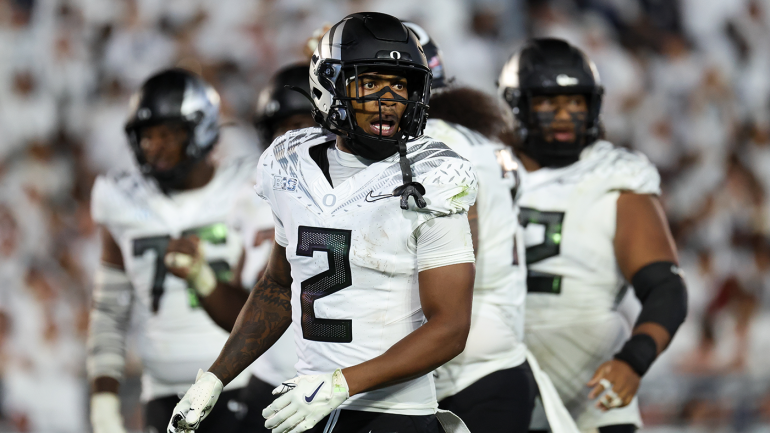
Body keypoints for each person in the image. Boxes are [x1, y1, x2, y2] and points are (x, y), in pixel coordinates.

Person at [167, 12, 478, 433]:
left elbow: (450, 327)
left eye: (400, 85)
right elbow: (279, 287)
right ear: (329, 86)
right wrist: (216, 377)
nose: (389, 100)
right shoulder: (288, 163)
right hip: (306, 408)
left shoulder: (433, 176)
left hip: (395, 415)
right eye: (370, 83)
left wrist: (340, 385)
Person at [497, 38, 688, 433]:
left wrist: (634, 359)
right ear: (516, 104)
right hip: (497, 370)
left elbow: (665, 287)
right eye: (550, 102)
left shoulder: (616, 176)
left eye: (576, 102)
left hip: (591, 381)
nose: (566, 115)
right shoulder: (481, 169)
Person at [87, 69, 258, 433]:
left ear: (201, 129)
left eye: (169, 133)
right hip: (161, 394)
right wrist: (103, 400)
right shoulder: (120, 198)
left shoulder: (251, 186)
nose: (156, 146)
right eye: (147, 136)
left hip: (245, 384)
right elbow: (109, 310)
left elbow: (273, 293)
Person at [404, 22, 537, 433]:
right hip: (492, 359)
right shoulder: (475, 138)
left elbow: (456, 256)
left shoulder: (433, 145)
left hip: (460, 370)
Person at [241, 63, 318, 433]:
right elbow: (259, 291)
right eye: (286, 127)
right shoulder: (248, 195)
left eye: (306, 123)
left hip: (342, 380)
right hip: (272, 378)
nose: (296, 138)